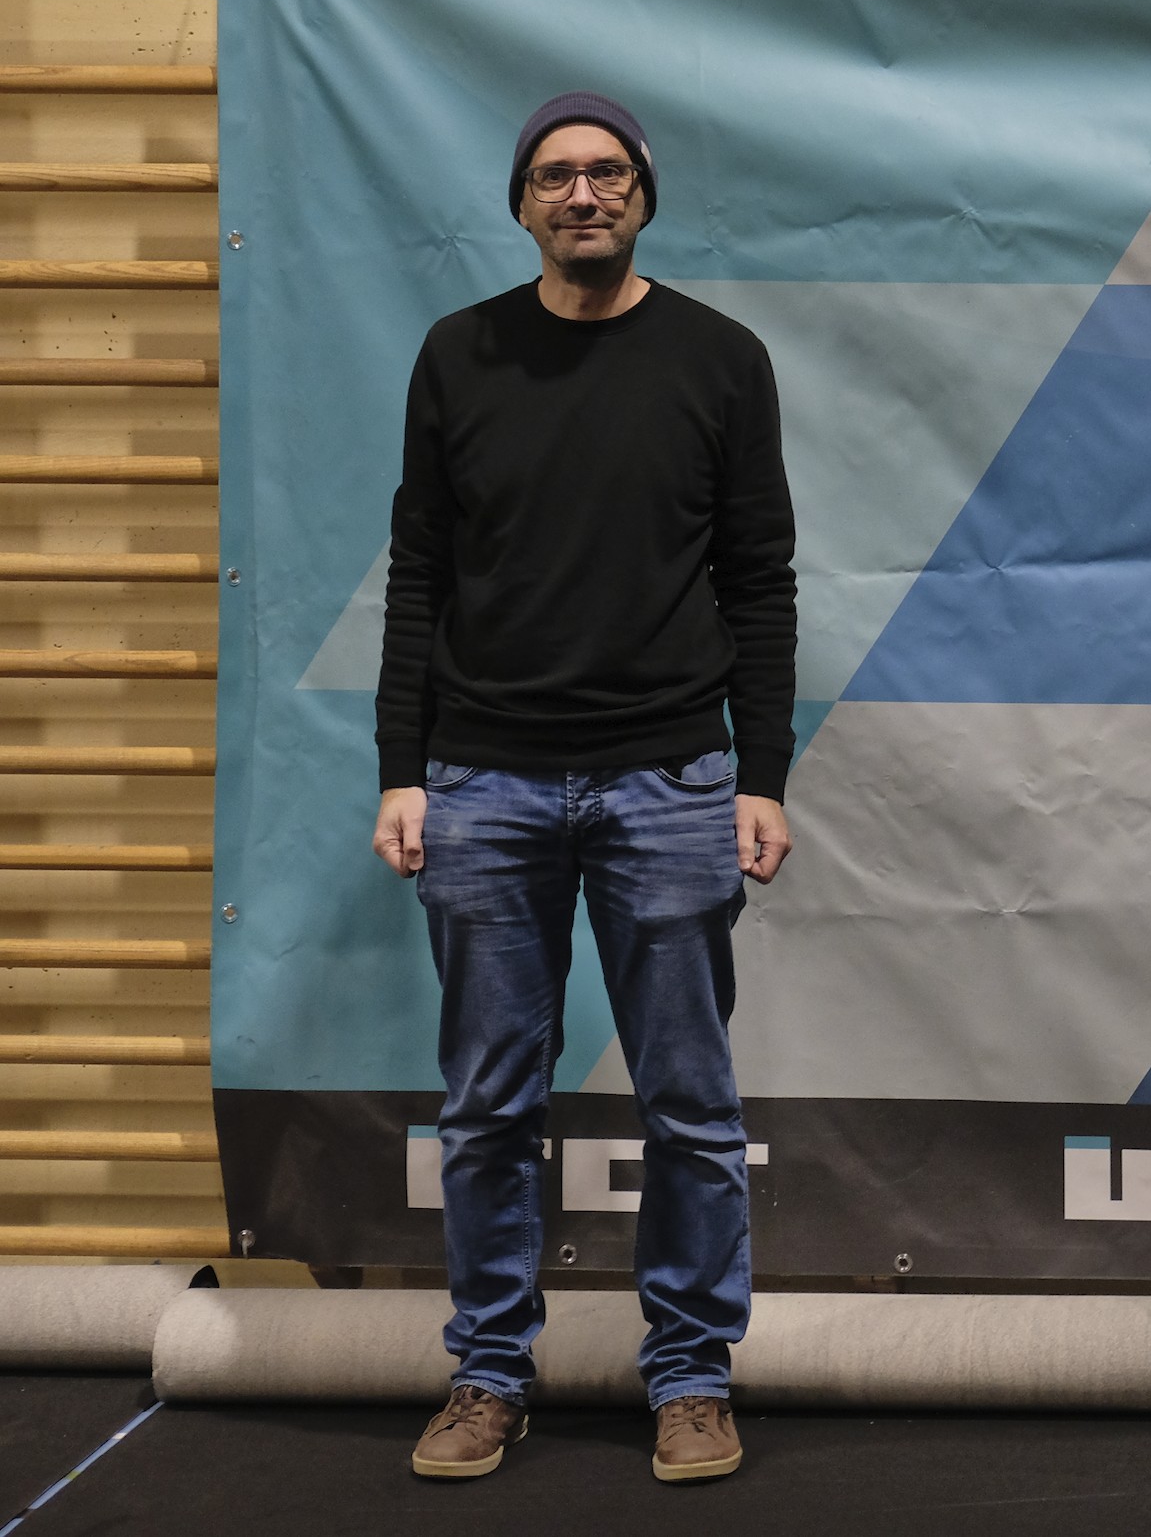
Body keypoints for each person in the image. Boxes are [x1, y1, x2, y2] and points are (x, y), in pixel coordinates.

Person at [371, 91, 797, 1483]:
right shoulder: (459, 354)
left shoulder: (721, 360)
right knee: (489, 1108)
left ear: (643, 195)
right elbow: (420, 574)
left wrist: (762, 775)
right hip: (482, 783)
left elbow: (760, 581)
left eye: (608, 172)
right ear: (523, 202)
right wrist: (401, 771)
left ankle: (692, 1378)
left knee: (691, 1106)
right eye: (556, 175)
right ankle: (489, 1374)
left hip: (670, 782)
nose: (583, 194)